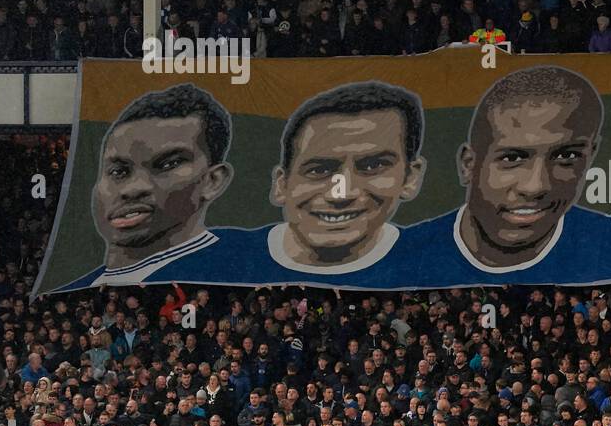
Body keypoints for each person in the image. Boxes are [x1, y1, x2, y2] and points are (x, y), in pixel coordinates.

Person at [168, 82, 426, 286]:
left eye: (372, 166)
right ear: (281, 184)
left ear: (410, 178)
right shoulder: (209, 261)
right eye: (320, 169)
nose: (341, 194)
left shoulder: (433, 261)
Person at [407, 66, 611, 283]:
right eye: (512, 158)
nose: (535, 186)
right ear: (468, 165)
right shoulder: (408, 256)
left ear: (591, 155)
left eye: (567, 155)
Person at [55, 85, 234, 290]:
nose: (132, 189)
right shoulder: (71, 291)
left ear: (213, 180)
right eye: (118, 171)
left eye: (168, 164)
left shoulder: (246, 262)